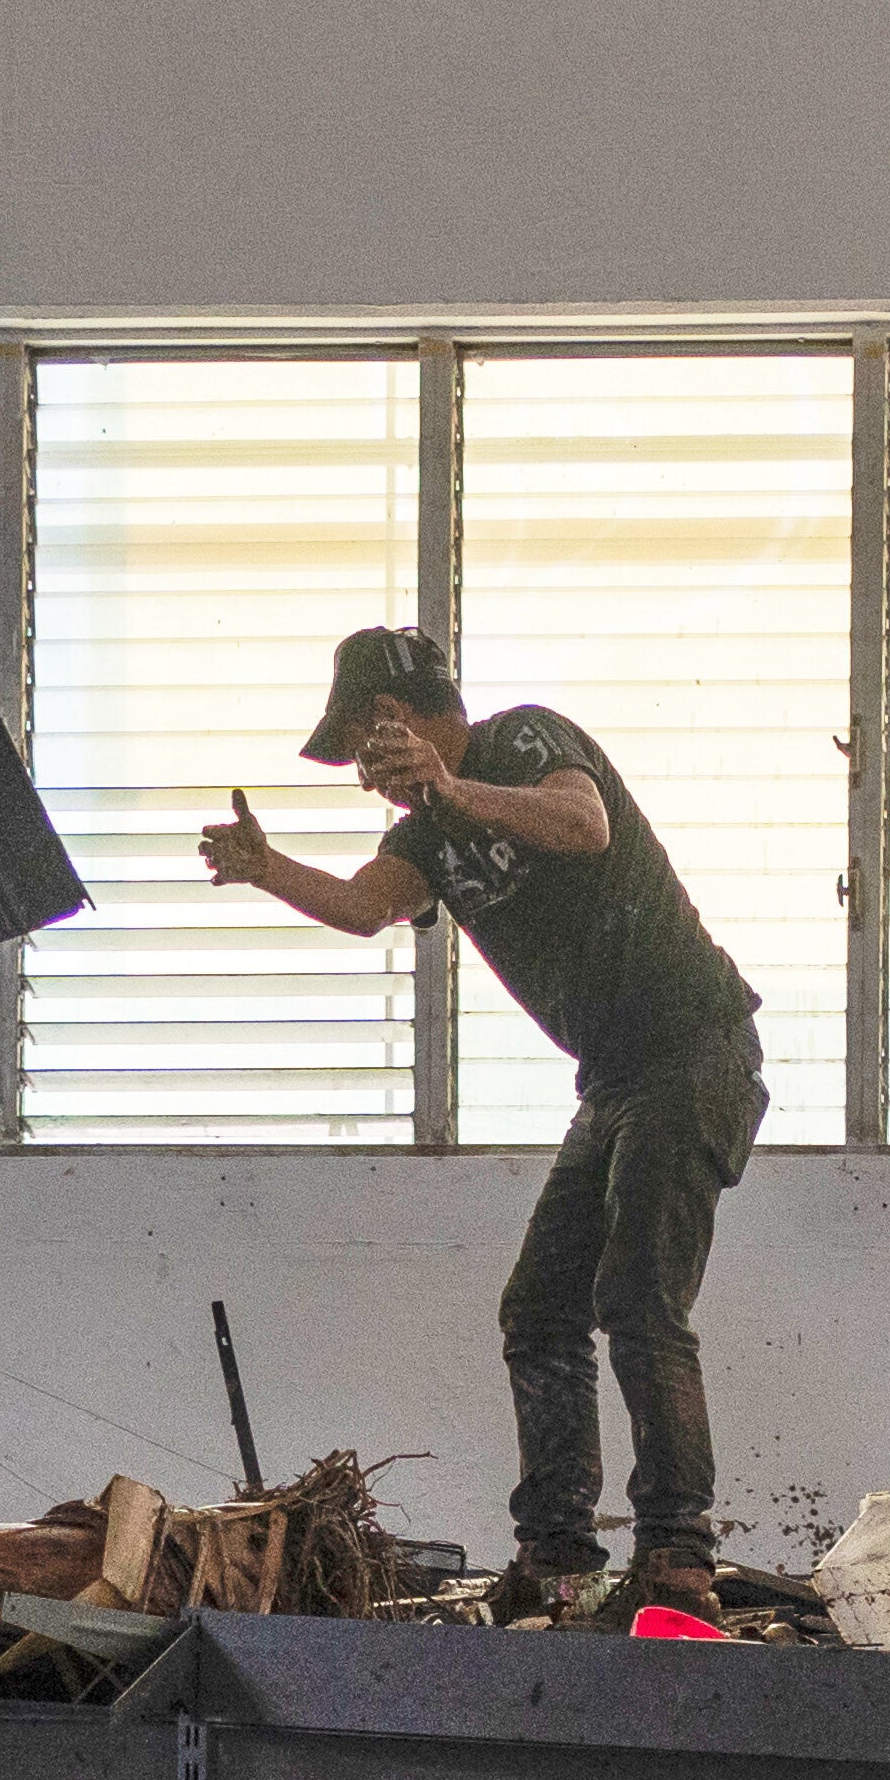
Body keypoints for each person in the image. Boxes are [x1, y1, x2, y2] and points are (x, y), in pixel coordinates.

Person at [200, 626, 768, 1624]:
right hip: (615, 1080)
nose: (372, 779)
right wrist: (266, 867)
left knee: (638, 1293)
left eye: (370, 749)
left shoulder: (523, 742)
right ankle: (558, 1557)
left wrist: (448, 786)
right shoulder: (422, 836)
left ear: (406, 718)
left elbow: (583, 824)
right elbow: (367, 905)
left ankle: (679, 1553)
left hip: (693, 1048)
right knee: (541, 1308)